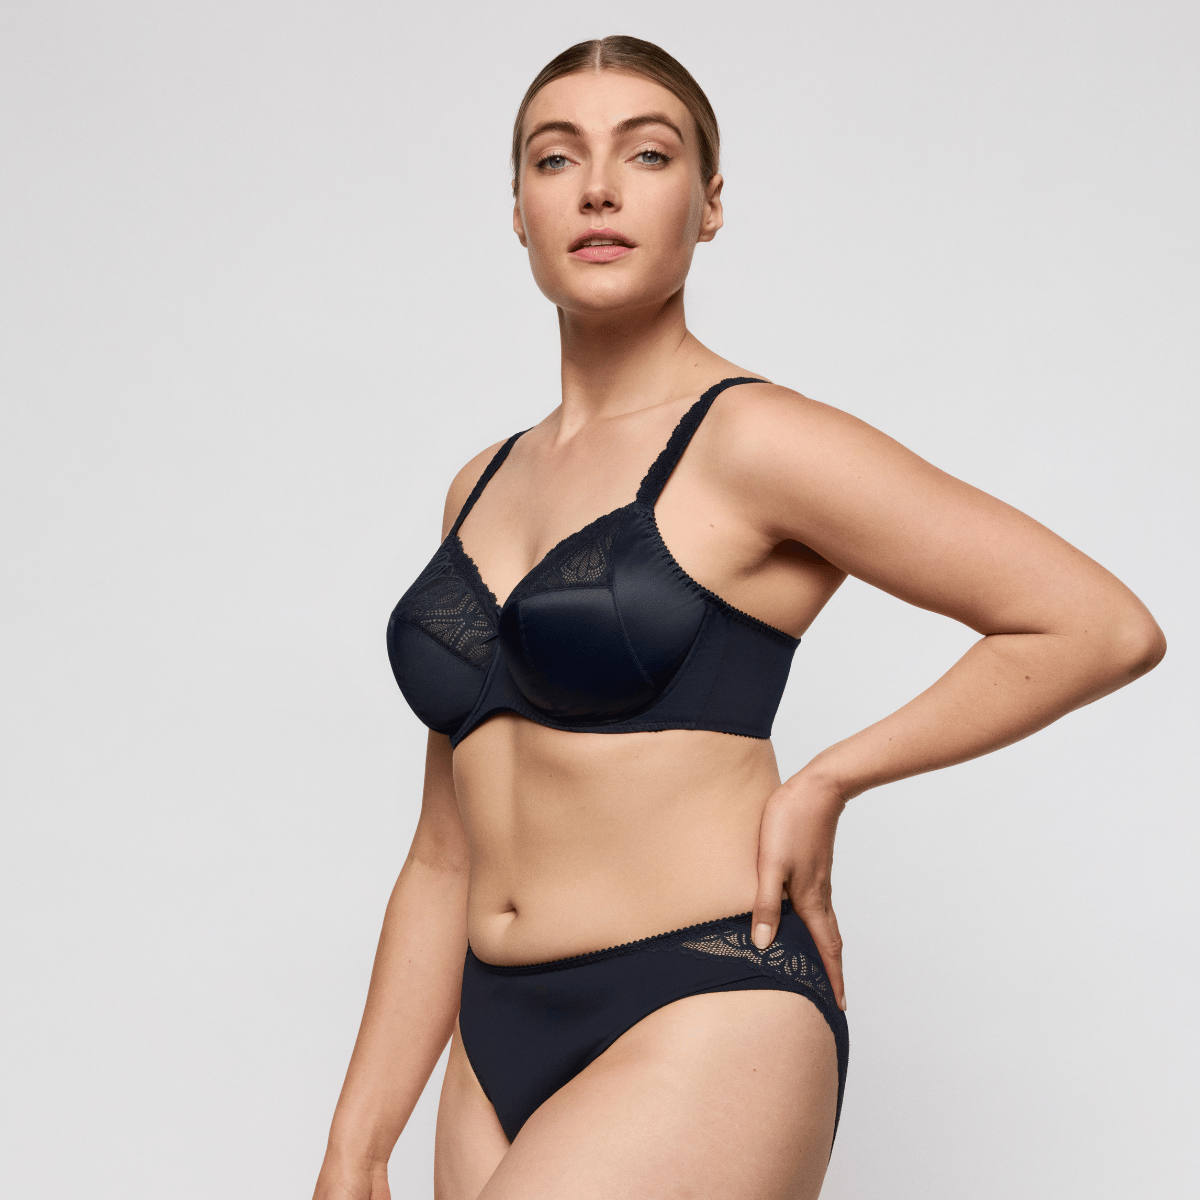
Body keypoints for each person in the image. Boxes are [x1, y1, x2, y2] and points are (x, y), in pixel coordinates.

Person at [312, 35, 1165, 1200]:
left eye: (646, 154)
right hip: (490, 1031)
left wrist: (829, 780)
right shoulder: (480, 484)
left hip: (704, 997)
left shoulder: (754, 440)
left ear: (708, 204)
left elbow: (1096, 625)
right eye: (556, 158)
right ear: (518, 211)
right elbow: (444, 848)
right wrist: (359, 1138)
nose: (597, 188)